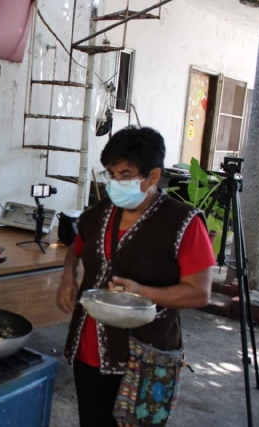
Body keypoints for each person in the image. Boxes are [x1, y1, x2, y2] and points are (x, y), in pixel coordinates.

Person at [56, 127, 215, 426]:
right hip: (88, 349)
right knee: (92, 420)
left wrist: (144, 291)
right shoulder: (100, 212)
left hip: (145, 355)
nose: (116, 183)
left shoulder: (182, 222)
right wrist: (68, 280)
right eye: (111, 174)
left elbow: (199, 292)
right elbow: (75, 251)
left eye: (126, 174)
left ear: (153, 176)